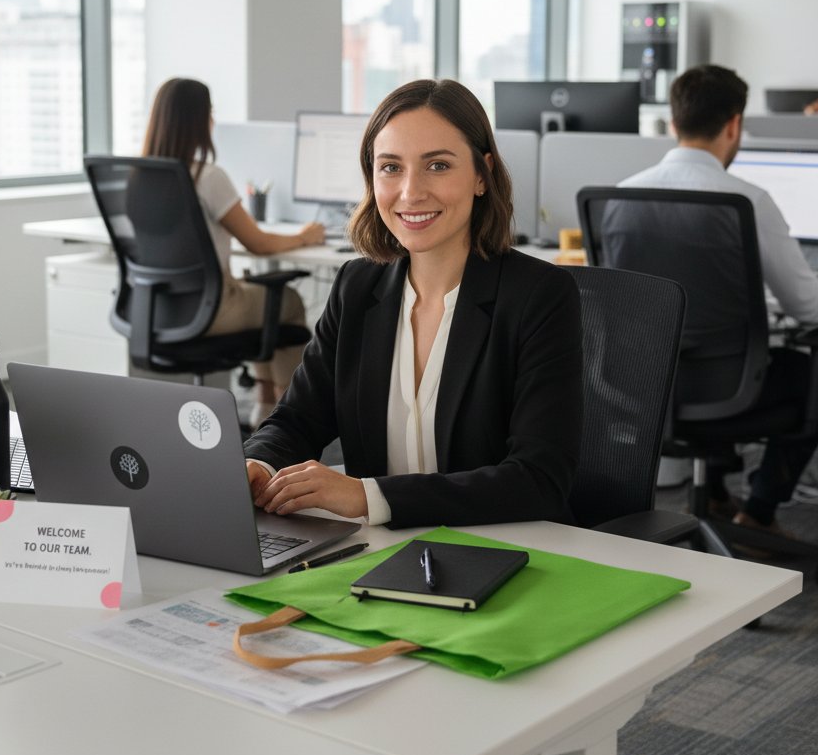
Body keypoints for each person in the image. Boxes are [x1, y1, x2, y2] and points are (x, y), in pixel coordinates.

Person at [244, 78, 583, 529]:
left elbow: (538, 480)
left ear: (481, 175)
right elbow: (297, 419)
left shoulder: (538, 296)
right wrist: (257, 464)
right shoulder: (356, 288)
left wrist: (368, 496)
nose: (410, 192)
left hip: (506, 548)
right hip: (383, 550)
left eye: (437, 165)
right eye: (390, 167)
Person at [621, 63, 818, 534]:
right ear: (734, 125)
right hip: (730, 390)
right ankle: (759, 514)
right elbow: (807, 308)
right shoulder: (749, 200)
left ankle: (715, 495)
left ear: (673, 122)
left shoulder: (622, 195)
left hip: (642, 387)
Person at [142, 78, 325, 424]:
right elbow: (259, 243)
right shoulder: (207, 177)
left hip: (158, 308)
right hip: (211, 310)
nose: (213, 120)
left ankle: (264, 404)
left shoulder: (139, 176)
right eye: (209, 112)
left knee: (260, 296)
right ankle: (287, 415)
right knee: (288, 302)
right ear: (197, 119)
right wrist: (304, 236)